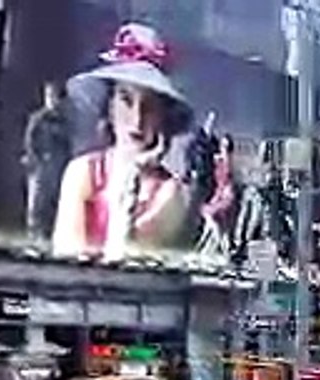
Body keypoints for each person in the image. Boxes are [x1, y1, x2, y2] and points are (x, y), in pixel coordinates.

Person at [52, 23, 193, 262]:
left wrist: (133, 176)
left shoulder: (171, 194)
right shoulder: (82, 172)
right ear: (110, 107)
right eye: (126, 100)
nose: (136, 119)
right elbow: (66, 261)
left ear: (163, 117)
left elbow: (123, 260)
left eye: (149, 107)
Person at [23, 81, 72, 240]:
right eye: (50, 96)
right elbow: (30, 139)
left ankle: (49, 233)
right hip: (41, 164)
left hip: (58, 165)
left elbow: (68, 143)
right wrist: (35, 158)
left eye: (56, 97)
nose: (53, 100)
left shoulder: (65, 121)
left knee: (54, 199)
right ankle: (33, 233)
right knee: (37, 200)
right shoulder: (38, 118)